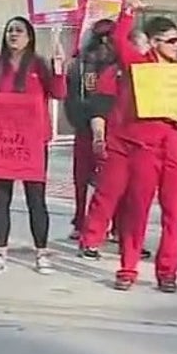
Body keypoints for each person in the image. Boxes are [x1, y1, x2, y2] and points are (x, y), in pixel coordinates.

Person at [79, 0, 177, 292]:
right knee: (137, 210)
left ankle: (168, 271)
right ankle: (128, 267)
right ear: (155, 42)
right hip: (144, 150)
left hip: (175, 149)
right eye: (172, 41)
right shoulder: (138, 66)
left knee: (174, 215)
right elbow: (120, 41)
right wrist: (128, 11)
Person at [0, 16, 66, 276]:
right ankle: (0, 254)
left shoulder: (39, 64)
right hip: (3, 140)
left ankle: (41, 253)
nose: (13, 34)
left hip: (33, 142)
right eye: (10, 30)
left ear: (29, 37)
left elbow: (59, 93)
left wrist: (59, 69)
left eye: (19, 30)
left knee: (36, 199)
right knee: (0, 198)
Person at [65, 19, 120, 240]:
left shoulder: (81, 62)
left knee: (92, 180)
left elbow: (71, 98)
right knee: (100, 180)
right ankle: (93, 223)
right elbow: (71, 96)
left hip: (94, 127)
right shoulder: (82, 64)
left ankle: (88, 222)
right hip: (95, 128)